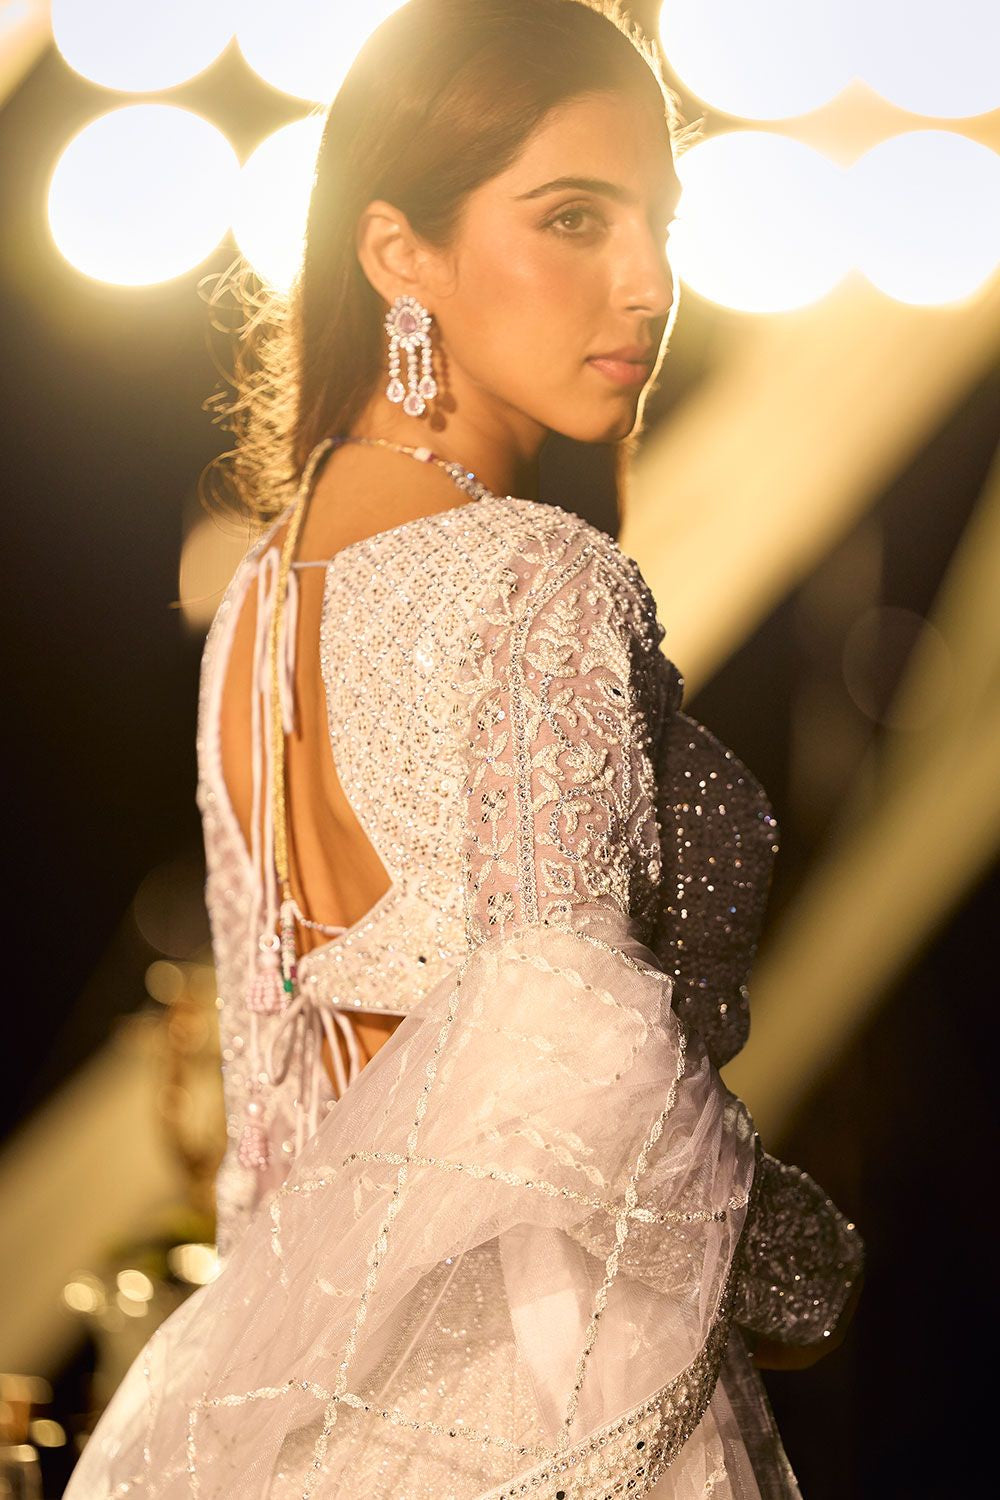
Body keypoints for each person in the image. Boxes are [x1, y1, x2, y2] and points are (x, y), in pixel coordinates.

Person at [64, 2, 864, 1495]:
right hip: (542, 1409)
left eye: (662, 224)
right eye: (574, 218)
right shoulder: (533, 575)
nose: (648, 282)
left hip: (299, 1425)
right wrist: (800, 1264)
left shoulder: (263, 599)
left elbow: (276, 1104)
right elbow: (583, 1051)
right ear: (398, 251)